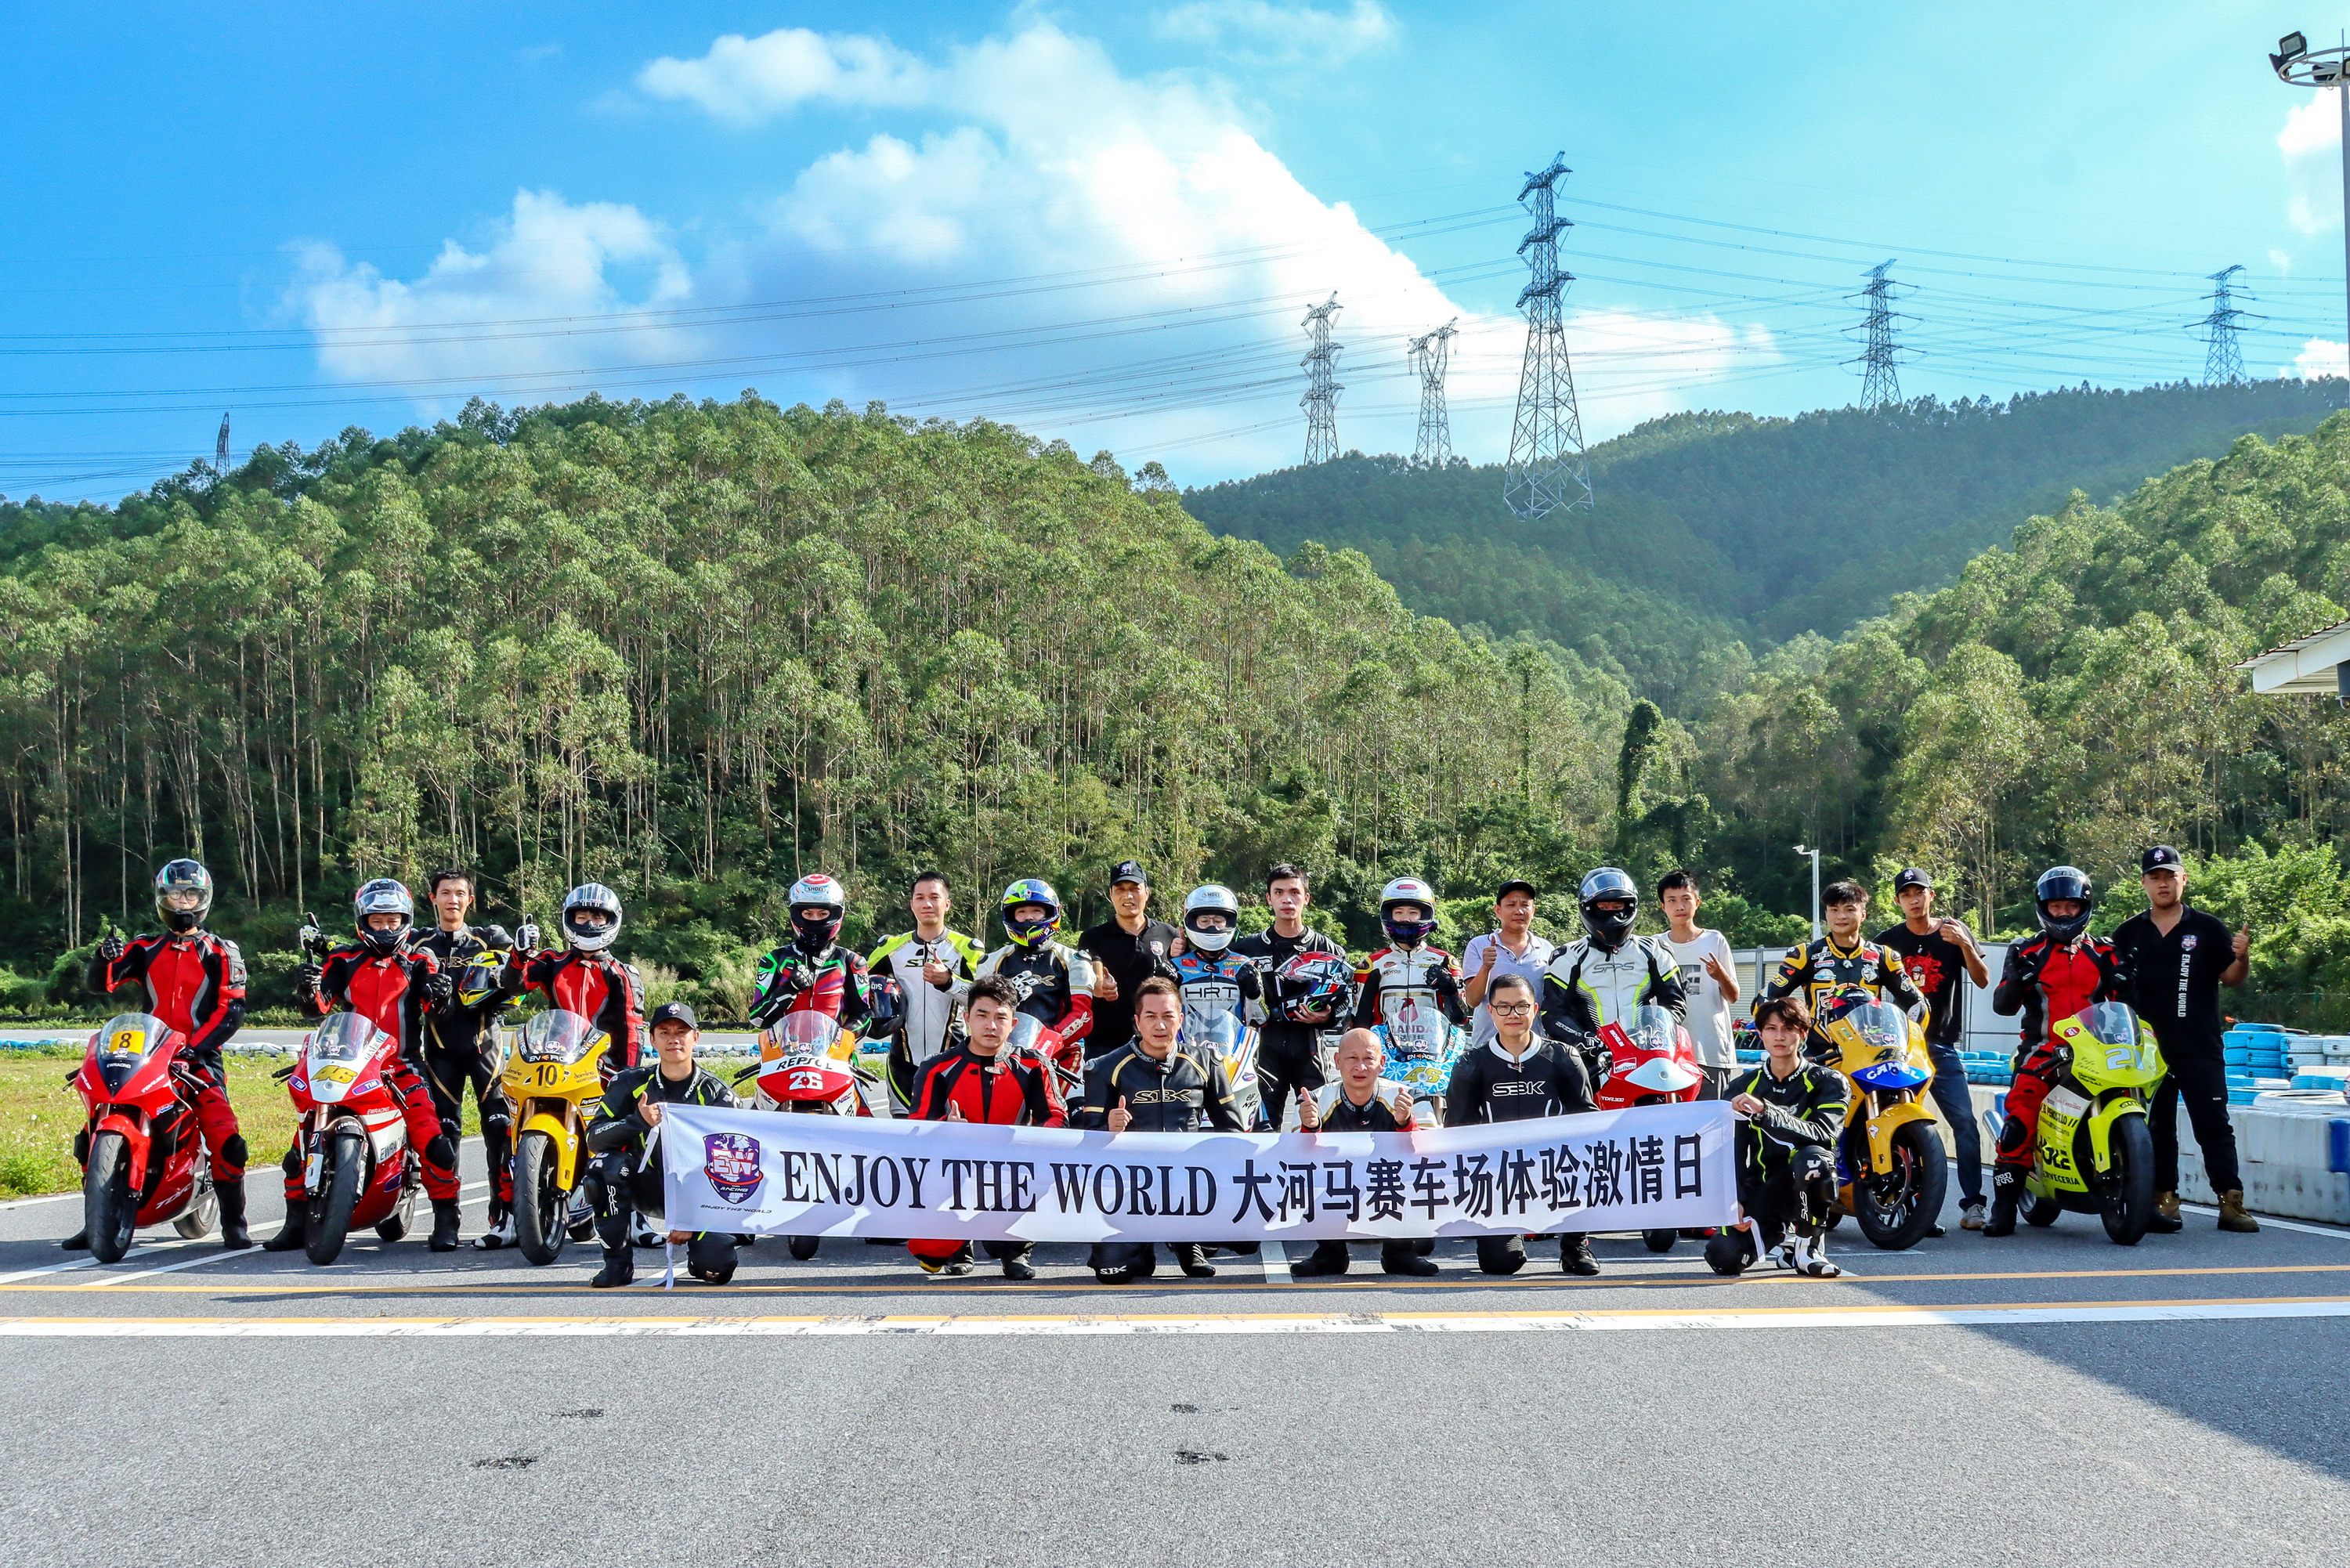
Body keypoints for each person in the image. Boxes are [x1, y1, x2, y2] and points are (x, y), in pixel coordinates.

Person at [68, 859, 253, 1251]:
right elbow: (101, 985)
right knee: (91, 1130)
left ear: (203, 900)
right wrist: (103, 956)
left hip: (199, 1058)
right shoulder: (144, 946)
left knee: (225, 1136)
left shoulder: (222, 951)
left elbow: (232, 1010)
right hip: (147, 1054)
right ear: (161, 899)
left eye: (190, 895)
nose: (182, 902)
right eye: (174, 894)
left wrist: (195, 1049)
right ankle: (95, 1219)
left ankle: (234, 1224)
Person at [272, 879, 461, 1252]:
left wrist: (442, 996)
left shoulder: (419, 962)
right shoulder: (342, 960)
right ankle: (295, 1221)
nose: (386, 928)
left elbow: (437, 1012)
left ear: (405, 921)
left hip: (400, 1066)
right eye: (377, 921)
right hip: (347, 1062)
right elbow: (317, 1008)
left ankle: (446, 1219)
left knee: (433, 1140)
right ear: (363, 922)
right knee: (302, 1139)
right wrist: (306, 989)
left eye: (393, 921)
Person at [2110, 845, 2256, 1234]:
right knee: (2157, 1128)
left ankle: (2231, 1202)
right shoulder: (2127, 933)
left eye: (2170, 877)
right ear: (2144, 883)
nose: (2163, 884)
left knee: (2214, 1125)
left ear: (2184, 880)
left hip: (2200, 1046)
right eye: (2155, 877)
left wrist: (2243, 958)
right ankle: (2164, 1200)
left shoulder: (2207, 928)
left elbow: (2232, 978)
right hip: (2146, 1052)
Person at [1984, 865, 2128, 1237]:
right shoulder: (2025, 949)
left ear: (2084, 907)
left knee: (2138, 1102)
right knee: (2019, 1119)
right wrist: (2017, 981)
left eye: (2071, 906)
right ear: (2043, 908)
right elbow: (2002, 1006)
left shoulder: (2106, 950)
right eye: (2055, 907)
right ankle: (2003, 1207)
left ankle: (2147, 1194)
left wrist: (2129, 981)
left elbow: (2129, 1004)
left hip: (2099, 1049)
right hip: (2043, 1049)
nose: (2063, 914)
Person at [1076, 976, 1242, 1282]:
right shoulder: (1105, 1067)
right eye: (1151, 1016)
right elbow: (1088, 1141)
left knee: (1247, 1239)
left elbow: (1233, 1131)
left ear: (1181, 1019)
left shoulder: (1207, 1062)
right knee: (1114, 1273)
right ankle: (1142, 1245)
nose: (1160, 1025)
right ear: (1137, 1021)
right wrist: (1108, 1129)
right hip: (1130, 1188)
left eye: (1168, 1016)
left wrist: (1211, 1164)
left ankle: (1187, 1241)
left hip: (1189, 1184)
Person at [906, 975, 1068, 1280]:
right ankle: (957, 1246)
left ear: (1013, 1024)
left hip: (1013, 1169)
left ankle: (1016, 1249)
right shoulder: (936, 1067)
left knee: (1046, 1169)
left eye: (1000, 1018)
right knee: (928, 1254)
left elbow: (1057, 1117)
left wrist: (1031, 1141)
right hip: (954, 1170)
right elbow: (916, 1128)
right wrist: (944, 1128)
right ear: (967, 1018)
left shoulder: (1034, 1065)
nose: (991, 1025)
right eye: (982, 1015)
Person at [1444, 972, 1600, 1275]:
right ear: (1490, 1011)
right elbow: (1457, 1131)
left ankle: (1575, 1245)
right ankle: (1506, 1231)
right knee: (1501, 1263)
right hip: (1498, 1177)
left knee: (1588, 1160)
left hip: (1555, 1170)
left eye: (1521, 1006)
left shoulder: (1564, 1057)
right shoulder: (1471, 1063)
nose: (1512, 1014)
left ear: (1535, 1009)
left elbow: (1587, 1121)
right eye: (1503, 1007)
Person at [581, 1002, 740, 1288]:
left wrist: (690, 1217)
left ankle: (700, 1256)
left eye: (681, 1032)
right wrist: (637, 1122)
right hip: (647, 1186)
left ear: (696, 1038)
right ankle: (617, 1264)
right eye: (664, 1032)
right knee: (603, 1167)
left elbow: (735, 1165)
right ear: (652, 1040)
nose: (673, 1039)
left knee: (716, 1268)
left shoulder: (717, 1094)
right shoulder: (628, 1083)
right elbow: (594, 1138)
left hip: (701, 1192)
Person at [1875, 867, 1992, 1230]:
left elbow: (1983, 980)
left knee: (1965, 1122)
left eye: (1919, 892)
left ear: (1931, 895)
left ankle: (1974, 1205)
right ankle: (1914, 1209)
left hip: (1940, 1043)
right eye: (1906, 894)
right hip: (1898, 1047)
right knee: (1903, 1125)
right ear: (1898, 901)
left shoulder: (1953, 930)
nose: (1914, 899)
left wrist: (1965, 944)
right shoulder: (1887, 941)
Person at [1705, 994, 1849, 1279]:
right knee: (1723, 1257)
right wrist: (1735, 1199)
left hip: (1806, 1177)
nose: (1779, 1036)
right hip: (1764, 1185)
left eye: (1788, 1028)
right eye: (1771, 1029)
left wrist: (1766, 1112)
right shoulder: (1742, 1086)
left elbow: (1825, 1135)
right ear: (1760, 1034)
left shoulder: (1830, 1082)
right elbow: (1730, 1151)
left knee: (1814, 1160)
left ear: (1803, 1033)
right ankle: (1783, 1240)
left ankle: (1808, 1248)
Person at [410, 867, 515, 1248]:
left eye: (459, 893)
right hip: (440, 1049)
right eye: (445, 893)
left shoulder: (491, 938)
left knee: (499, 1128)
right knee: (445, 1132)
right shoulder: (416, 940)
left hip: (485, 1045)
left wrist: (509, 977)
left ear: (470, 900)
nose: (452, 900)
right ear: (433, 898)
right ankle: (446, 1218)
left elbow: (520, 981)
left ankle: (502, 1214)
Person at [1290, 1028, 1440, 1279]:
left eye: (1368, 1058)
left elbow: (1434, 1154)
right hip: (1338, 1192)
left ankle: (1400, 1252)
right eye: (1352, 1058)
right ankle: (1330, 1252)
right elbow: (1294, 1159)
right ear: (1337, 1061)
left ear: (1382, 1062)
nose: (1360, 1067)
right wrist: (1311, 1128)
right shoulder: (1314, 1099)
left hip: (1389, 1188)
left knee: (1420, 1175)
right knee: (1306, 1177)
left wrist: (1406, 1123)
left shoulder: (1410, 1096)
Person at [1540, 868, 1688, 1086]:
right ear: (1588, 908)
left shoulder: (1655, 951)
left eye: (1618, 906)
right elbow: (1552, 1013)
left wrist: (1654, 1031)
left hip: (1646, 1057)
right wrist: (1585, 1040)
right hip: (1589, 1063)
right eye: (1604, 907)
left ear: (1630, 906)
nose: (1612, 913)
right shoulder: (1567, 956)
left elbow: (1675, 1003)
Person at [1231, 863, 1348, 1132]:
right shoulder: (1245, 949)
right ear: (1269, 898)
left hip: (1309, 1047)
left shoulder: (1328, 949)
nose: (1287, 899)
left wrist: (1327, 1016)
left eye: (1294, 892)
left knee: (1318, 1125)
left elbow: (1346, 1004)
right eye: (1279, 892)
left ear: (1306, 898)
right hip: (1263, 1049)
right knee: (1260, 1128)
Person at [1753, 880, 1924, 1057]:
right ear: (1826, 914)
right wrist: (1785, 1036)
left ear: (1863, 914)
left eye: (1849, 909)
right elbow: (1764, 1001)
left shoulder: (1885, 956)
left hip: (1871, 1056)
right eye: (1834, 910)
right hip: (1818, 1057)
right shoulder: (1805, 954)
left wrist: (1909, 1047)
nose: (1841, 916)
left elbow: (1917, 1005)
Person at [867, 869, 985, 1115]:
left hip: (956, 1061)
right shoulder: (890, 948)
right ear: (911, 904)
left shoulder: (968, 949)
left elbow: (986, 1002)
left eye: (934, 897)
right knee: (905, 1132)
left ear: (947, 904)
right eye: (920, 898)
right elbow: (860, 990)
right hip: (902, 1063)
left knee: (956, 1131)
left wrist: (949, 982)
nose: (927, 904)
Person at [497, 882, 646, 1074]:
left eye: (597, 918)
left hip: (602, 1069)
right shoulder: (551, 961)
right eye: (582, 917)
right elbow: (515, 988)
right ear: (570, 919)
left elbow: (632, 1028)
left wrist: (629, 1074)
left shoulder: (622, 974)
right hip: (556, 1061)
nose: (589, 924)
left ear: (611, 920)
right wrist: (519, 955)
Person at [974, 878, 1094, 1073]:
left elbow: (1083, 1015)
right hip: (1004, 1055)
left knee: (1075, 1094)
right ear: (1010, 915)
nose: (1029, 917)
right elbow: (979, 1010)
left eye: (1036, 911)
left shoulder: (1074, 960)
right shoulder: (991, 961)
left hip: (1061, 1057)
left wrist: (1050, 1042)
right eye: (1021, 912)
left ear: (1050, 913)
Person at [1352, 875, 1467, 1075]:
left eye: (1413, 912)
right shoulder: (1371, 965)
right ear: (1388, 915)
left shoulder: (1445, 961)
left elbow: (1461, 1018)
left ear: (1426, 914)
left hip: (1436, 1057)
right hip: (1386, 1058)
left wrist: (1450, 988)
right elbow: (1359, 1024)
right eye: (1399, 912)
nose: (1406, 919)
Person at [1076, 860, 1179, 1059]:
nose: (1128, 896)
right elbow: (1094, 972)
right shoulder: (1093, 937)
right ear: (1111, 895)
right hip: (1105, 1046)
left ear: (1147, 892)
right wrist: (1100, 985)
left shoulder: (1169, 934)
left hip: (1158, 1043)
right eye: (1120, 889)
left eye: (1134, 889)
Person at [749, 873, 873, 1034]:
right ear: (797, 914)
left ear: (836, 915)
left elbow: (863, 1015)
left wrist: (842, 1039)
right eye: (808, 914)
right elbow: (757, 1019)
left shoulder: (853, 962)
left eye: (823, 914)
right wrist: (789, 988)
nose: (815, 920)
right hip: (785, 1047)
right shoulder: (774, 960)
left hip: (832, 1048)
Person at [1657, 869, 1741, 1099]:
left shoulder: (1714, 940)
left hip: (1710, 1052)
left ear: (1697, 902)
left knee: (1712, 1118)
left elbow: (1733, 996)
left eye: (1686, 899)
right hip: (1666, 1054)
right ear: (1663, 907)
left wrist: (1721, 976)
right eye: (1672, 900)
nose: (1680, 906)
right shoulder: (1654, 946)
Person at [1460, 880, 1558, 1046]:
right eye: (1511, 905)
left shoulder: (1547, 949)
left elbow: (1553, 1002)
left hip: (1535, 1048)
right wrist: (1486, 967)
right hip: (1488, 1047)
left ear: (1533, 910)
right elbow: (1472, 1000)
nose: (1519, 911)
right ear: (1498, 910)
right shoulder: (1479, 945)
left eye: (1525, 905)